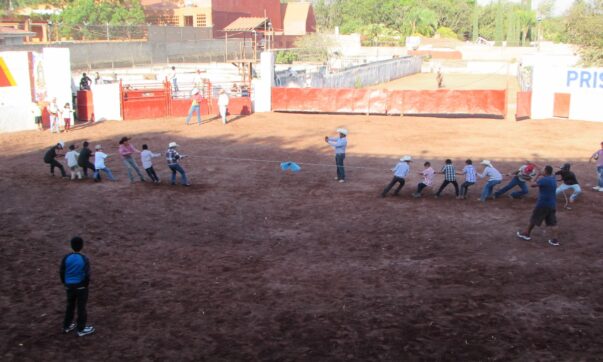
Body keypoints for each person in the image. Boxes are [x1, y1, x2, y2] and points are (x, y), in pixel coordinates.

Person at [60, 236, 95, 337]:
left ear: (71, 246)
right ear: (82, 246)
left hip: (69, 287)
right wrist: (85, 285)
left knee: (70, 306)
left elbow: (62, 271)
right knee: (81, 308)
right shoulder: (84, 259)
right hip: (81, 288)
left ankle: (67, 326)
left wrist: (65, 283)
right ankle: (81, 329)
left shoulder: (66, 258)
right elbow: (87, 275)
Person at [516, 165, 560, 246]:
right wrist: (541, 172)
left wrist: (537, 175)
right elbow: (550, 173)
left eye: (543, 170)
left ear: (546, 172)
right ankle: (555, 240)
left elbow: (532, 184)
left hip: (543, 204)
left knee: (534, 219)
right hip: (552, 204)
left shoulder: (544, 180)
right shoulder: (553, 178)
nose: (541, 170)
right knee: (553, 223)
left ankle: (526, 234)